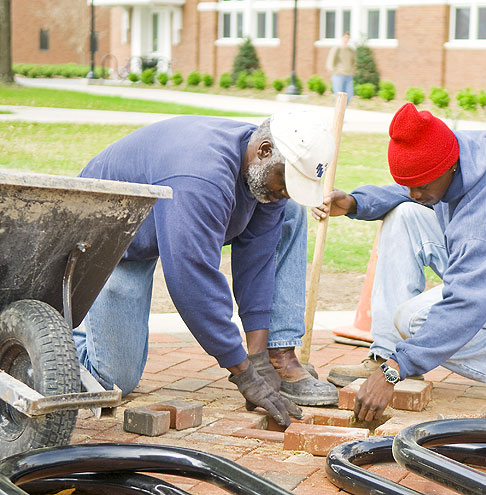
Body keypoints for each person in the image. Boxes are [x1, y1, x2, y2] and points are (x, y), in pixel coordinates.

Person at [315, 103, 486, 422]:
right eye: (411, 184)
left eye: (423, 186)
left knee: (414, 321)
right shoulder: (452, 154)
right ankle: (385, 351)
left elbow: (467, 304)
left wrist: (395, 371)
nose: (415, 192)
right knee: (404, 216)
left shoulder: (485, 215)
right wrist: (356, 203)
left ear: (449, 167)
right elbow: (410, 186)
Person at [75, 111, 338, 428]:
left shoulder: (263, 169)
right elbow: (191, 282)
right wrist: (242, 372)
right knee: (113, 381)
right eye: (285, 181)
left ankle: (277, 354)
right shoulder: (201, 177)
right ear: (264, 150)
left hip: (154, 225)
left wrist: (257, 357)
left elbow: (258, 261)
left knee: (291, 210)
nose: (285, 191)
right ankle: (60, 339)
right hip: (106, 239)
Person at [326, 32, 356, 103]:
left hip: (349, 75)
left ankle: (342, 111)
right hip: (338, 75)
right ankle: (338, 113)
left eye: (348, 37)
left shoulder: (351, 50)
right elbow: (330, 60)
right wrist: (332, 70)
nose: (346, 39)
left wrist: (353, 70)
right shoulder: (337, 49)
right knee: (339, 97)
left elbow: (354, 62)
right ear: (342, 38)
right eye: (345, 37)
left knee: (349, 95)